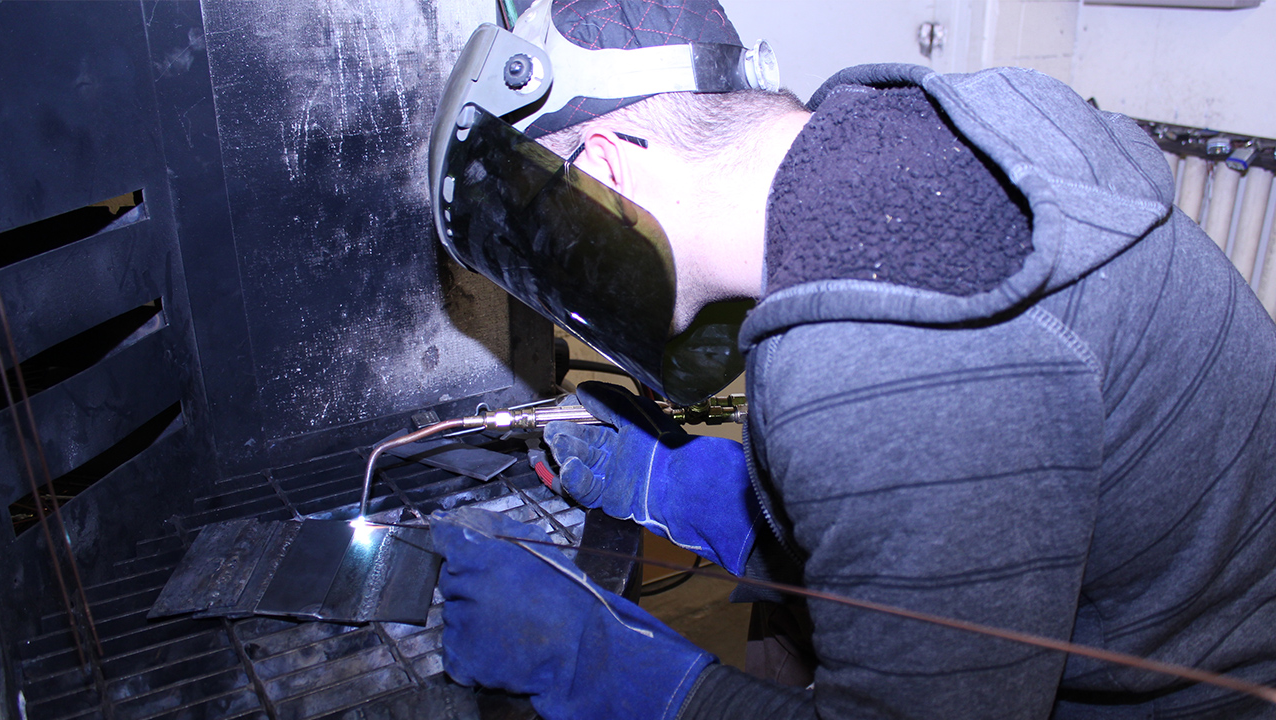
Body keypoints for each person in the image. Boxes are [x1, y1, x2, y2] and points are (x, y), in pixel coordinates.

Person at [425, 1, 1276, 718]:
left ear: (604, 163)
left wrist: (592, 661)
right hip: (1143, 609)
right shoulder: (894, 146)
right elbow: (953, 506)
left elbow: (908, 423)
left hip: (1200, 699)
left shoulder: (876, 361)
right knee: (717, 596)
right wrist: (699, 496)